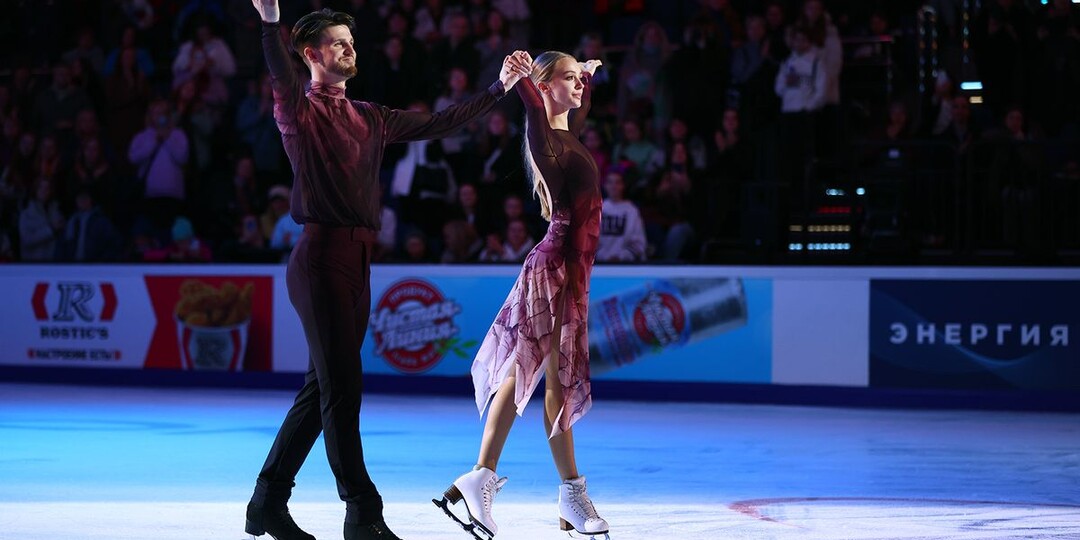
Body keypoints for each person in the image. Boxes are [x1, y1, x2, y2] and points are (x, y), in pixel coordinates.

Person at [244, 3, 532, 540]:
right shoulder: (300, 112)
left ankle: (267, 502)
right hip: (319, 259)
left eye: (351, 40)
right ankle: (362, 511)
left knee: (323, 389)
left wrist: (498, 89)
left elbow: (440, 122)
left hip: (357, 261)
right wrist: (269, 22)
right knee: (341, 389)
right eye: (337, 42)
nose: (350, 48)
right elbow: (281, 78)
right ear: (311, 54)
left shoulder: (371, 116)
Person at [435, 51, 610, 540]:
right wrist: (518, 80)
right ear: (545, 86)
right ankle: (572, 495)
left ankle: (480, 476)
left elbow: (574, 105)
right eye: (569, 79)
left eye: (579, 80)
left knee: (521, 370)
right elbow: (534, 108)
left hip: (566, 270)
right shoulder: (544, 136)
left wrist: (588, 78)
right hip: (557, 270)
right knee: (557, 379)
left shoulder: (567, 135)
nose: (577, 86)